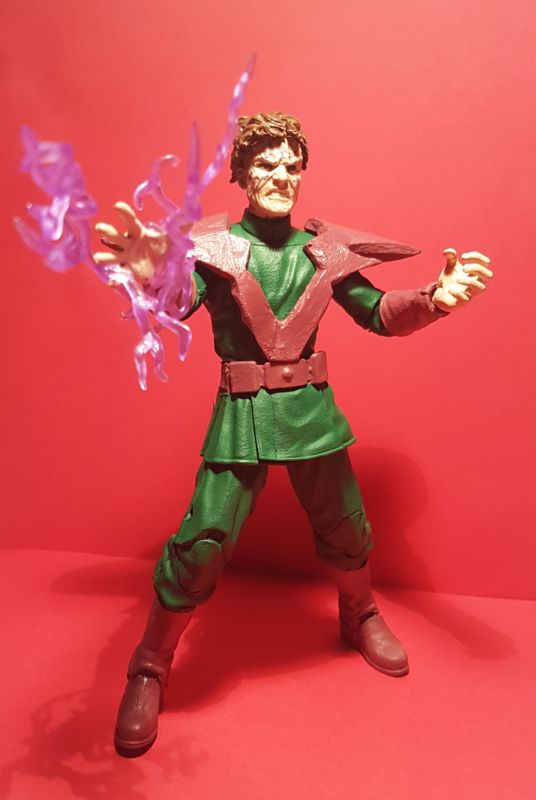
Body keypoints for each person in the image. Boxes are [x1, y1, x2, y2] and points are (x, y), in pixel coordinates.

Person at [94, 112, 492, 757]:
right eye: (265, 163)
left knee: (346, 525)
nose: (280, 175)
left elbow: (378, 313)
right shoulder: (212, 246)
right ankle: (149, 664)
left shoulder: (325, 250)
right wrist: (150, 272)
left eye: (291, 165)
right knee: (203, 541)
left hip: (310, 409)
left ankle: (359, 613)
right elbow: (175, 303)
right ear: (242, 173)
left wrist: (435, 299)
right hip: (242, 412)